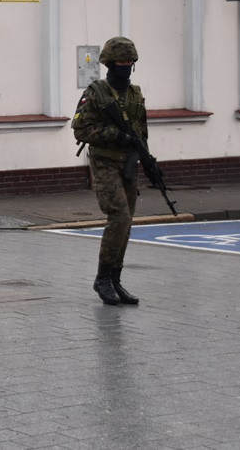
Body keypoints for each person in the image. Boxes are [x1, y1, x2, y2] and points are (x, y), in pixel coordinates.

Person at [72, 36, 146, 306]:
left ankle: (115, 279)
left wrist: (146, 159)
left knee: (127, 222)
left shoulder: (135, 94)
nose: (125, 68)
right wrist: (115, 135)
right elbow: (80, 130)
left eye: (129, 63)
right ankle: (102, 278)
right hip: (105, 164)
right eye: (120, 64)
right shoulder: (95, 93)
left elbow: (141, 131)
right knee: (119, 217)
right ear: (109, 65)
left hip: (129, 165)